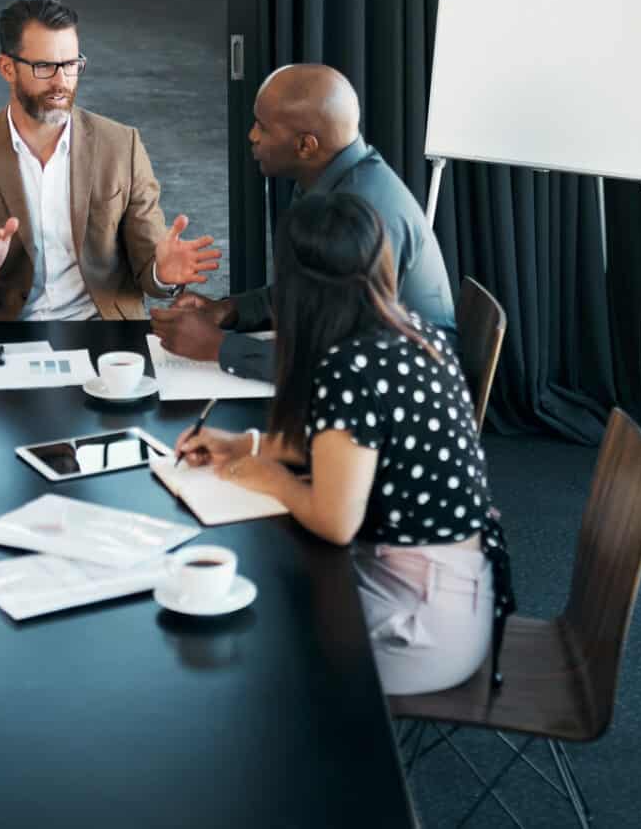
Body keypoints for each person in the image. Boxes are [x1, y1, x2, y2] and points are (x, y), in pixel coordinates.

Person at [173, 192, 512, 695]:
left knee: (246, 647)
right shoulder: (413, 333)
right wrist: (244, 446)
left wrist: (270, 477)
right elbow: (348, 454)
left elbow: (335, 522)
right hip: (462, 591)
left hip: (422, 626)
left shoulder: (348, 369)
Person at [0, 0, 221, 320]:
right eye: (44, 66)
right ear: (7, 68)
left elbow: (149, 261)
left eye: (71, 65)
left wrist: (162, 272)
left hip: (102, 333)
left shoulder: (121, 146)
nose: (62, 82)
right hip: (5, 339)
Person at [151, 63, 455, 380]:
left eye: (263, 127)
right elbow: (310, 296)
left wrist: (217, 347)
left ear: (305, 145)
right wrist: (227, 311)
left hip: (405, 390)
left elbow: (337, 364)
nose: (252, 135)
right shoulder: (329, 178)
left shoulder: (361, 215)